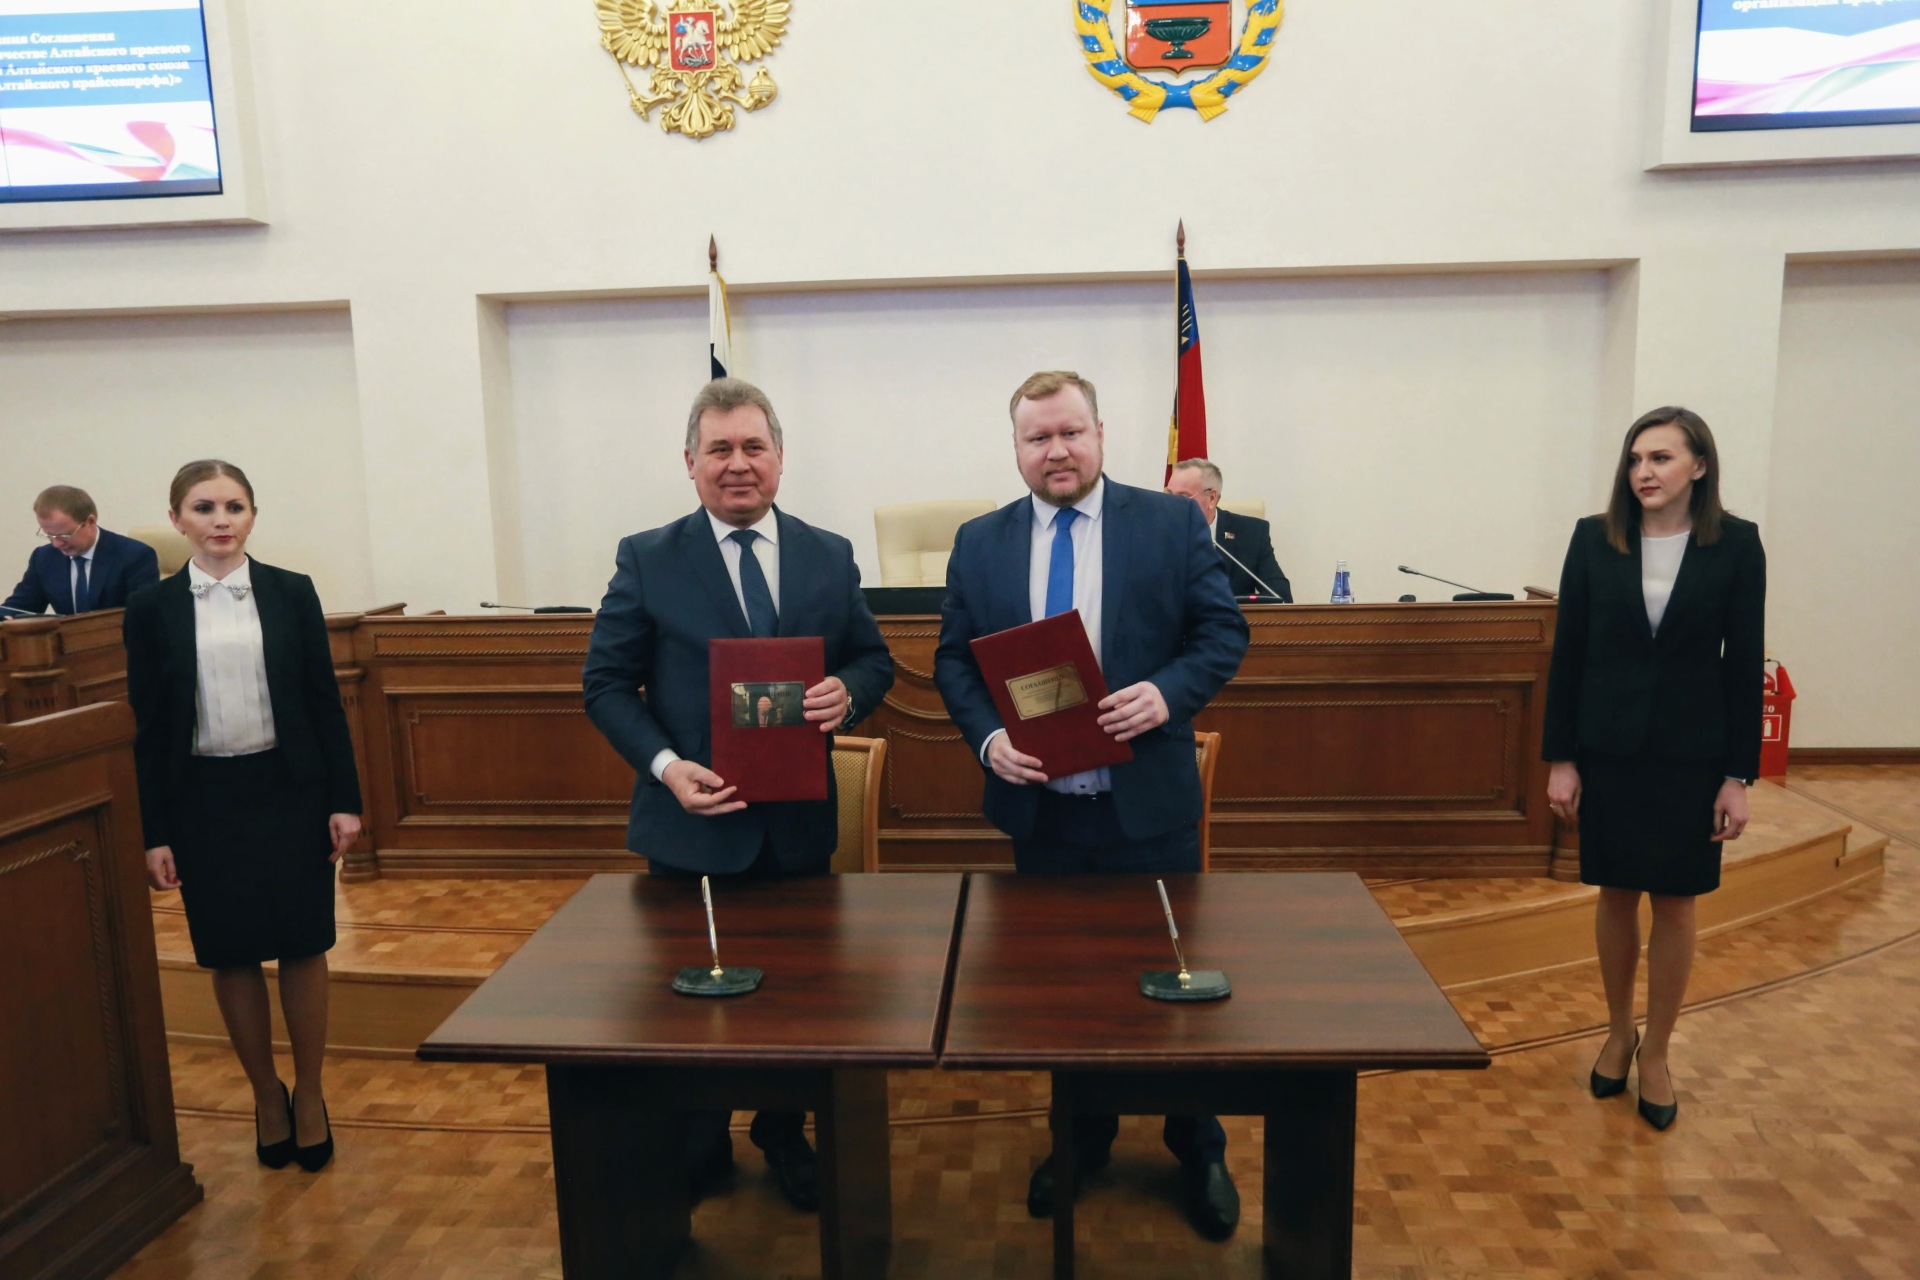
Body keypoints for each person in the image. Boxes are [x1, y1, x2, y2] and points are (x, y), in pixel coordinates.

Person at [933, 370, 1250, 1240]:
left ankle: (1197, 1143)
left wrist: (1167, 693)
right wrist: (987, 741)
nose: (1057, 450)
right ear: (1017, 447)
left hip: (1147, 810)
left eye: (1070, 432)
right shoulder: (981, 541)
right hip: (1044, 815)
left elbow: (1223, 632)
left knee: (1177, 986)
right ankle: (1082, 1136)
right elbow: (954, 660)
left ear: (1101, 434)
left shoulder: (1170, 523)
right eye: (1038, 437)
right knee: (1063, 996)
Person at [582, 377, 894, 1211]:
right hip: (690, 828)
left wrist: (847, 693)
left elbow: (872, 659)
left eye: (754, 446)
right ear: (689, 463)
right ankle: (700, 1138)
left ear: (781, 458)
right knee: (692, 1002)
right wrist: (664, 767)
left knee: (797, 1000)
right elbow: (605, 685)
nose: (738, 463)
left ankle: (783, 1131)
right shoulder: (647, 557)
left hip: (797, 830)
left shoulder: (828, 553)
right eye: (719, 448)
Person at [124, 460, 363, 1173]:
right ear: (177, 519)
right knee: (230, 952)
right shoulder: (150, 608)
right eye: (204, 507)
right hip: (201, 800)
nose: (221, 520)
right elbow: (148, 726)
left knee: (303, 944)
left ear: (253, 515)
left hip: (290, 790)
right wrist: (153, 831)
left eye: (234, 506)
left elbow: (323, 701)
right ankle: (266, 1095)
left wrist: (345, 799)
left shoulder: (291, 591)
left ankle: (310, 1092)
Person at [1542, 406, 1764, 1132]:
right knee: (1615, 893)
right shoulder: (1594, 538)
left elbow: (1743, 663)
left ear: (1699, 466)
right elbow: (1569, 654)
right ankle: (1618, 1032)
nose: (1644, 471)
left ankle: (1659, 1051)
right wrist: (1562, 758)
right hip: (1608, 748)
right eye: (1636, 458)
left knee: (1675, 901)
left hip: (1691, 753)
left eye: (1661, 458)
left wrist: (1738, 775)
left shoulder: (1737, 544)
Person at [5, 485, 160, 615]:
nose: (56, 544)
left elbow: (144, 616)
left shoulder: (135, 556)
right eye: (49, 535)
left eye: (64, 535)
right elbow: (18, 608)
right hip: (64, 642)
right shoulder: (43, 558)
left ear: (90, 522)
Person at [1165, 459, 1291, 602]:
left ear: (1212, 498)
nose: (1171, 505)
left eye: (1182, 497)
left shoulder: (1251, 534)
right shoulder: (1155, 533)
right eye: (1169, 495)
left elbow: (1281, 596)